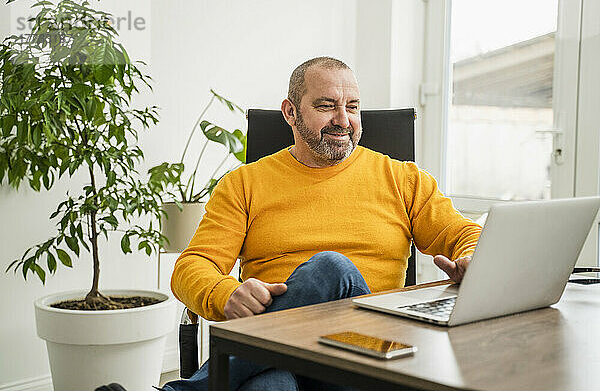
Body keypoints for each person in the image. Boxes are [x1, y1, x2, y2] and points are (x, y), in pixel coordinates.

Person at [97, 56, 481, 391]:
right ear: (290, 112)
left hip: (366, 358)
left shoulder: (402, 179)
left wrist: (471, 257)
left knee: (332, 268)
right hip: (276, 357)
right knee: (267, 384)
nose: (342, 120)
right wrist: (225, 293)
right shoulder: (245, 183)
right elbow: (191, 267)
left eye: (352, 106)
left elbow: (464, 234)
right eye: (327, 106)